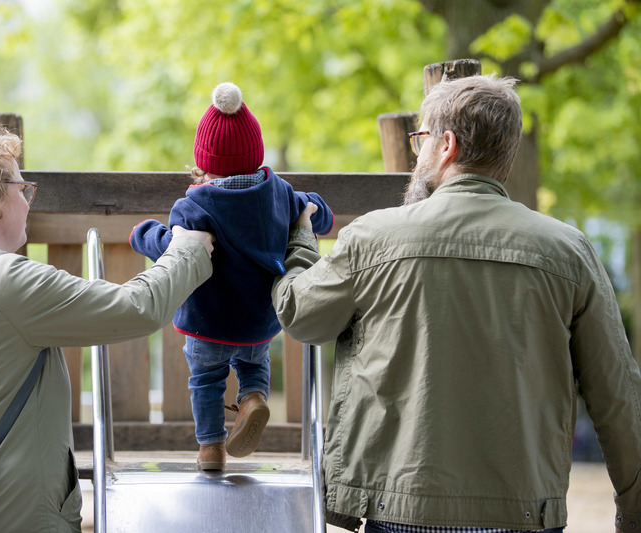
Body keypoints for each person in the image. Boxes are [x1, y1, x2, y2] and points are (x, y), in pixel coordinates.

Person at [272, 74, 641, 533]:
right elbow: (617, 395)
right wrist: (632, 512)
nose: (416, 152)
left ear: (446, 145)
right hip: (526, 512)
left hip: (401, 509)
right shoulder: (569, 250)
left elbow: (299, 314)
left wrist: (301, 239)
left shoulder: (373, 236)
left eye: (421, 138)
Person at [0, 125, 214, 533]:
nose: (28, 202)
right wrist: (188, 247)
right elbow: (136, 308)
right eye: (23, 189)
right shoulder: (2, 282)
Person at [130, 82, 333, 470]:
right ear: (255, 153)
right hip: (259, 323)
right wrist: (314, 211)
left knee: (205, 382)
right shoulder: (282, 194)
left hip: (207, 324)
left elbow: (172, 248)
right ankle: (253, 398)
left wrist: (142, 233)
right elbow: (318, 212)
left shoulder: (193, 206)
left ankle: (211, 449)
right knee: (253, 366)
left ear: (203, 161)